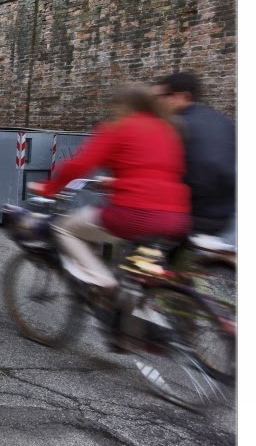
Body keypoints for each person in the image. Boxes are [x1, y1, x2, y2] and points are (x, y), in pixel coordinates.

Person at [28, 84, 191, 313]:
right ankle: (139, 312)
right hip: (176, 216)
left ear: (123, 106)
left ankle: (103, 282)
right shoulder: (169, 130)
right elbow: (159, 173)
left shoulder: (119, 127)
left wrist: (49, 188)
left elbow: (79, 164)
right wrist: (118, 183)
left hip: (134, 213)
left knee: (64, 228)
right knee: (135, 267)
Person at [152, 71, 236, 236]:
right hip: (224, 214)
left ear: (181, 96)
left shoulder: (174, 126)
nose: (158, 102)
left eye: (161, 97)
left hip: (189, 214)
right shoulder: (223, 121)